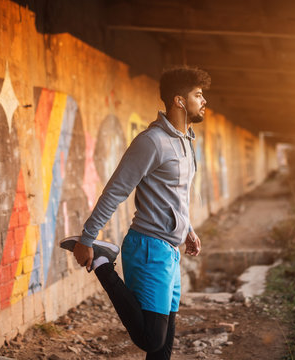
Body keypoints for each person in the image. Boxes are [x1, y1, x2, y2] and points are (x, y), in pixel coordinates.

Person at [61, 66, 210, 359]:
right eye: (198, 95)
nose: (204, 101)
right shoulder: (151, 141)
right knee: (151, 339)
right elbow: (116, 190)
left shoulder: (186, 141)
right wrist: (87, 239)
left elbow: (176, 195)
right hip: (148, 248)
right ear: (179, 101)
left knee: (164, 343)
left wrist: (188, 229)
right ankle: (103, 263)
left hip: (170, 250)